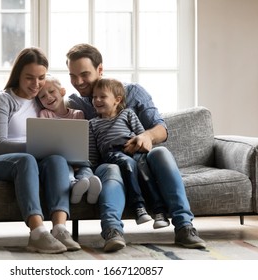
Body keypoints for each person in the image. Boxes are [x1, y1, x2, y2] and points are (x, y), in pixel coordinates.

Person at [65, 43, 206, 252]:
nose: (78, 82)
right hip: (107, 163)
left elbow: (161, 130)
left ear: (100, 70)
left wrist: (146, 136)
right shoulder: (74, 104)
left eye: (84, 74)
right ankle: (112, 231)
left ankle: (184, 226)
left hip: (139, 156)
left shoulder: (133, 92)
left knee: (161, 153)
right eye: (72, 76)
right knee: (112, 169)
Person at [0, 47, 81, 254]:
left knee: (57, 159)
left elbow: (65, 109)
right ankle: (37, 233)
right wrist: (38, 147)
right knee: (27, 159)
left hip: (30, 159)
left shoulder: (41, 101)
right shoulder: (3, 99)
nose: (36, 84)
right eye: (29, 78)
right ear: (18, 75)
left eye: (41, 77)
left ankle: (59, 229)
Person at [88, 77, 170, 229]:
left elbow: (142, 136)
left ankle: (160, 212)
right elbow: (93, 152)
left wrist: (139, 146)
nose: (97, 100)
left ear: (117, 100)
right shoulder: (92, 123)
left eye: (102, 96)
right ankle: (138, 207)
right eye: (94, 97)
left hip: (134, 149)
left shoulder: (128, 114)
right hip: (112, 154)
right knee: (128, 163)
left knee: (146, 173)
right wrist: (91, 168)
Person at [36, 75, 102, 204]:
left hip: (77, 158)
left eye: (51, 91)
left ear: (62, 92)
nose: (48, 97)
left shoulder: (78, 114)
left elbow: (81, 138)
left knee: (86, 169)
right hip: (60, 160)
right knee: (67, 170)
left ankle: (90, 185)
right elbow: (44, 138)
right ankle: (74, 185)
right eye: (42, 96)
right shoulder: (44, 114)